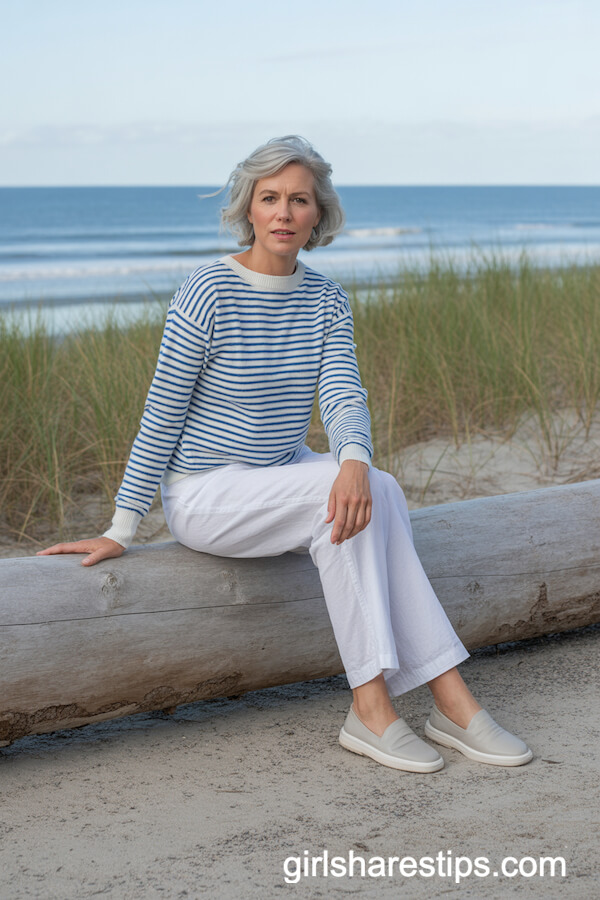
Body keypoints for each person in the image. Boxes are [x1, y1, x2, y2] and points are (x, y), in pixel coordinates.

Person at [39, 135, 532, 772]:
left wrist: (353, 457)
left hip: (284, 471)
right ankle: (371, 706)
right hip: (208, 491)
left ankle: (450, 700)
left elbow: (342, 391)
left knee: (378, 487)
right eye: (269, 197)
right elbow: (161, 412)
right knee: (340, 498)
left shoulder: (326, 299)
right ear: (248, 207)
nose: (282, 212)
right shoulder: (207, 290)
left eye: (298, 200)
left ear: (317, 216)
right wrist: (121, 527)